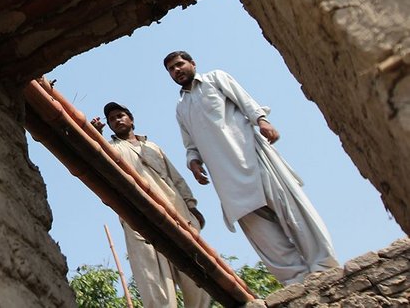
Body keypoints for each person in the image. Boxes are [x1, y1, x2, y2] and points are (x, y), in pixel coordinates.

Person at [162, 51, 339, 285]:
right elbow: (190, 143)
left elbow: (245, 101)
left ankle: (323, 266)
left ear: (193, 63)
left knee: (293, 211)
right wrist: (193, 162)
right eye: (171, 69)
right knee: (261, 232)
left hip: (251, 156)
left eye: (179, 64)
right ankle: (296, 281)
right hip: (225, 178)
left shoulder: (215, 78)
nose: (176, 71)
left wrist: (262, 120)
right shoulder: (181, 107)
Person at [91, 102, 211, 308]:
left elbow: (176, 178)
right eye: (112, 119)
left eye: (120, 115)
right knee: (154, 277)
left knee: (197, 272)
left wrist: (191, 206)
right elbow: (99, 164)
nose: (117, 120)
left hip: (176, 211)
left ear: (131, 119)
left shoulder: (153, 147)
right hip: (138, 216)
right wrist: (95, 137)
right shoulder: (111, 148)